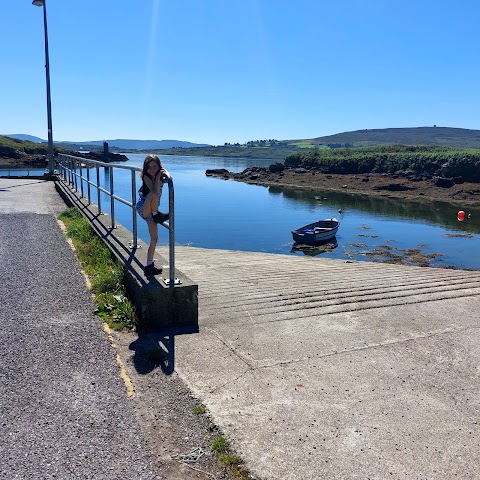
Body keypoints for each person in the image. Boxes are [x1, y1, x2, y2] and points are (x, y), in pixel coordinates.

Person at [135, 154, 169, 275]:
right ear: (145, 168)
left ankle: (149, 266)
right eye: (149, 167)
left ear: (159, 166)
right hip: (143, 208)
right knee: (153, 193)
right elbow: (154, 191)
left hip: (152, 211)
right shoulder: (146, 177)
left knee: (154, 239)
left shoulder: (158, 176)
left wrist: (163, 175)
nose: (152, 169)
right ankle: (156, 215)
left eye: (155, 167)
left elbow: (169, 179)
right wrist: (159, 176)